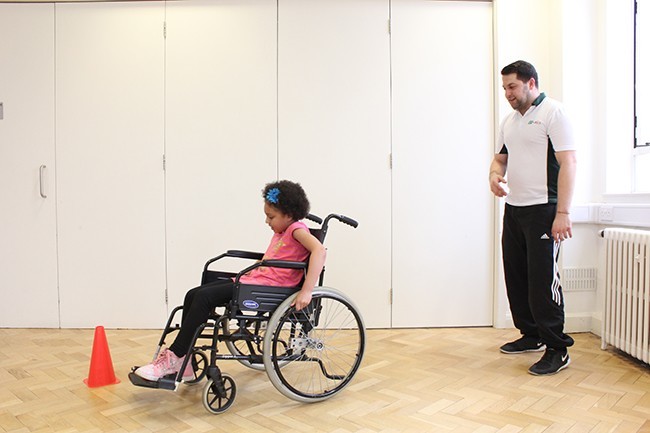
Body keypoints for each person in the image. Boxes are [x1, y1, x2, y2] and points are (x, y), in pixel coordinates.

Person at [134, 180, 327, 381]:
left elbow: (319, 251)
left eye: (271, 217)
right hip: (255, 280)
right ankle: (185, 360)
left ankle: (176, 356)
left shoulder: (296, 230)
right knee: (193, 294)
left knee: (204, 298)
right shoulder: (282, 232)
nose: (266, 221)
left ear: (288, 215)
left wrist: (307, 290)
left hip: (268, 288)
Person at [489, 60, 577, 376]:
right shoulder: (509, 121)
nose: (508, 94)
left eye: (512, 86)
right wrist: (494, 175)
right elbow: (500, 159)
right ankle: (532, 335)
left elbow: (569, 163)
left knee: (543, 281)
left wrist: (563, 213)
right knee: (517, 276)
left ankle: (557, 347)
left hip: (544, 209)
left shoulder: (553, 113)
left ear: (531, 83)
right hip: (515, 210)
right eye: (504, 88)